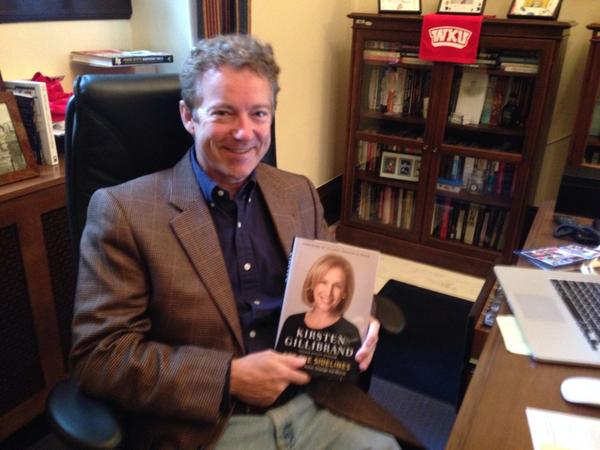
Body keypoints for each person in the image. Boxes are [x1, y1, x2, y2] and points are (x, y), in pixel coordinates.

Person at [70, 34, 404, 449]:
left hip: (317, 403)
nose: (245, 132)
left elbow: (343, 285)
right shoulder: (125, 211)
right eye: (223, 112)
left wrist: (364, 321)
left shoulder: (298, 193)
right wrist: (228, 377)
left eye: (258, 113)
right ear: (189, 116)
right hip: (214, 424)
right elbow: (100, 357)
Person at [277, 253, 363, 380]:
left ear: (344, 293)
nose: (328, 292)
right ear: (312, 284)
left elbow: (350, 382)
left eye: (337, 286)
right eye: (323, 282)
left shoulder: (350, 332)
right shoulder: (291, 322)